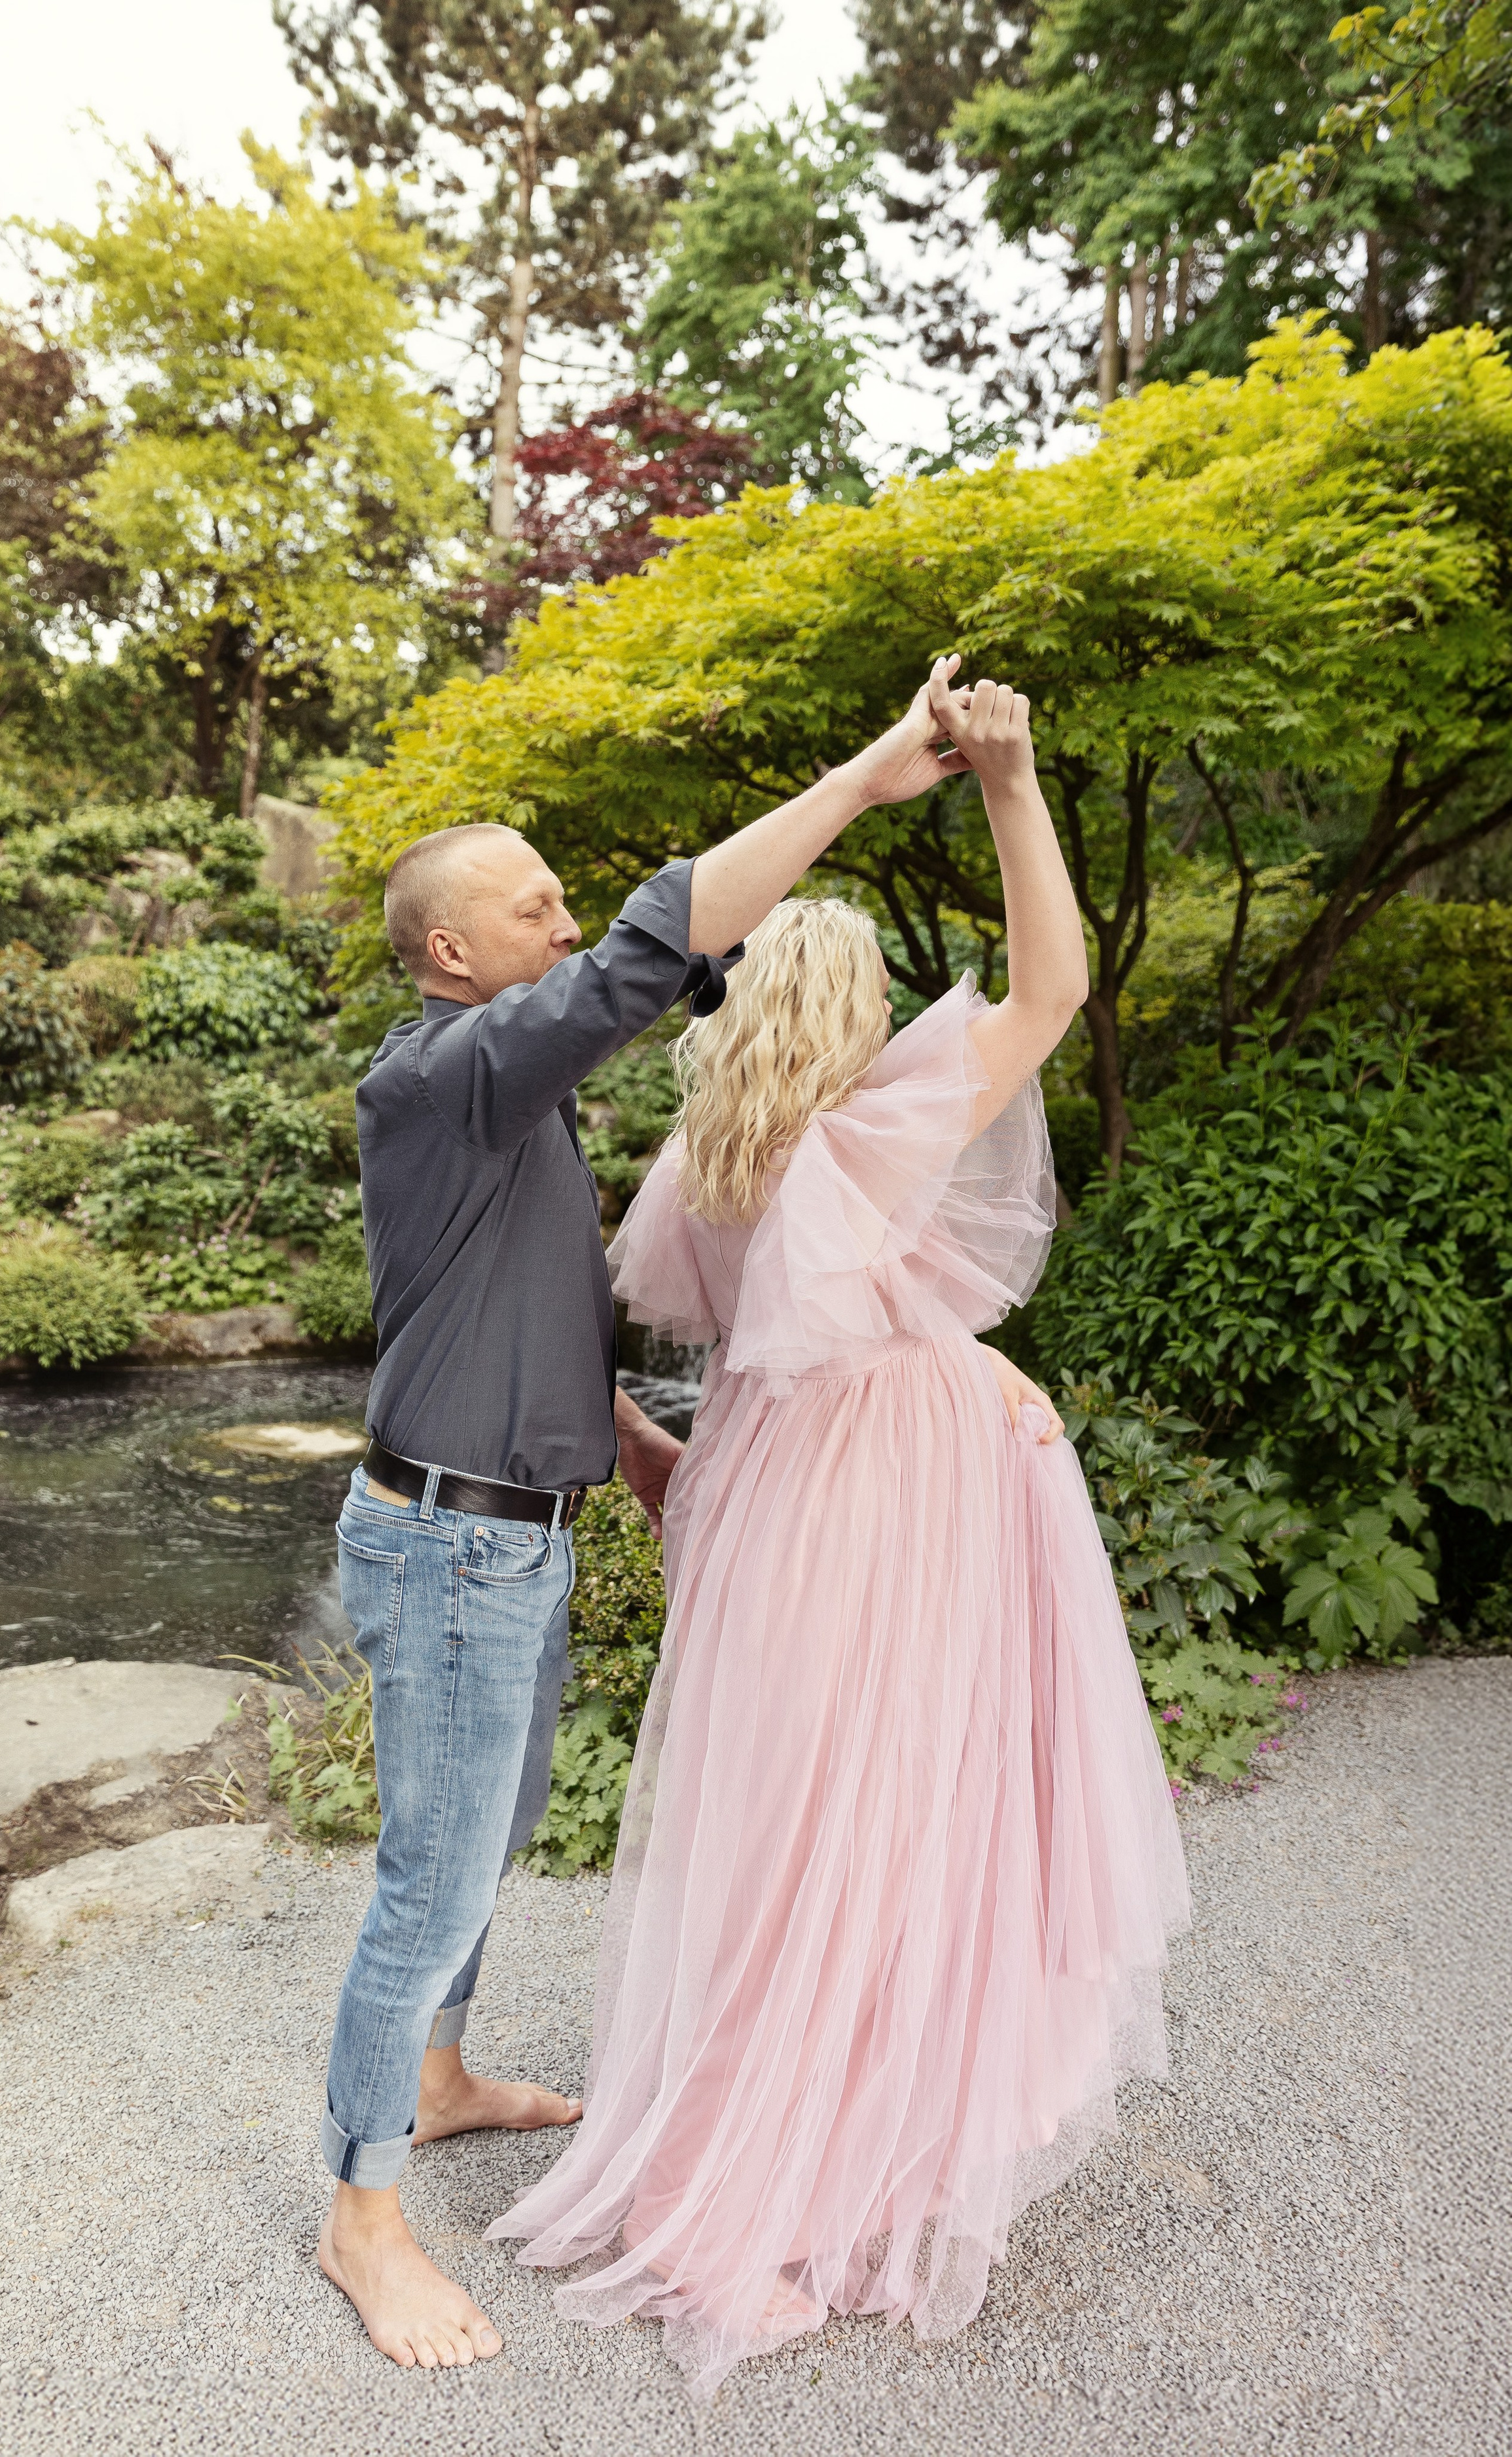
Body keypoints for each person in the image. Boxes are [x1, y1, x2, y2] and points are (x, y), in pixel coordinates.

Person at [487, 677, 1193, 2397]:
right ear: (853, 1010)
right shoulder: (874, 1131)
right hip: (890, 1504)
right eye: (879, 993)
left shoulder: (705, 1159)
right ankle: (845, 2152)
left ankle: (786, 2128)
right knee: (897, 1811)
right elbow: (1053, 989)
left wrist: (664, 1471)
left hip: (765, 1494)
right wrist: (1013, 784)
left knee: (787, 1828)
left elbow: (748, 1334)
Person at [315, 651, 990, 2370]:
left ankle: (438, 2078)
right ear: (450, 954)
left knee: (489, 1832)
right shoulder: (445, 1078)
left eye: (565, 902)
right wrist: (865, 778)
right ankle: (361, 2219)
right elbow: (657, 943)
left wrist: (632, 1448)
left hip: (509, 1527)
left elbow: (518, 1313)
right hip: (453, 1540)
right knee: (430, 1875)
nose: (565, 926)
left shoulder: (512, 1103)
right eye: (532, 909)